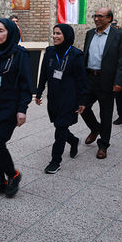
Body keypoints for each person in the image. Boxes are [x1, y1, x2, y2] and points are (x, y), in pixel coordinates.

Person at [0, 18, 30, 196]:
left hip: (9, 107)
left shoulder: (20, 54)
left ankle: (13, 174)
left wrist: (22, 109)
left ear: (9, 32)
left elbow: (26, 84)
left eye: (1, 30)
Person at [35, 24, 87, 174]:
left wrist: (82, 101)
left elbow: (82, 80)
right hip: (54, 97)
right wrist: (39, 92)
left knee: (60, 129)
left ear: (67, 36)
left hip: (69, 98)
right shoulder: (50, 52)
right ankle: (73, 140)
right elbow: (44, 73)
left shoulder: (76, 55)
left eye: (59, 33)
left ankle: (55, 161)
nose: (55, 36)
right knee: (59, 126)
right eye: (54, 33)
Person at [81, 7, 122, 159]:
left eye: (100, 16)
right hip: (89, 78)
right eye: (95, 16)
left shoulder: (119, 35)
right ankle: (95, 129)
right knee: (81, 106)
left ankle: (103, 145)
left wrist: (119, 81)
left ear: (109, 18)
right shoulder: (89, 34)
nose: (96, 19)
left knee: (106, 114)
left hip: (107, 80)